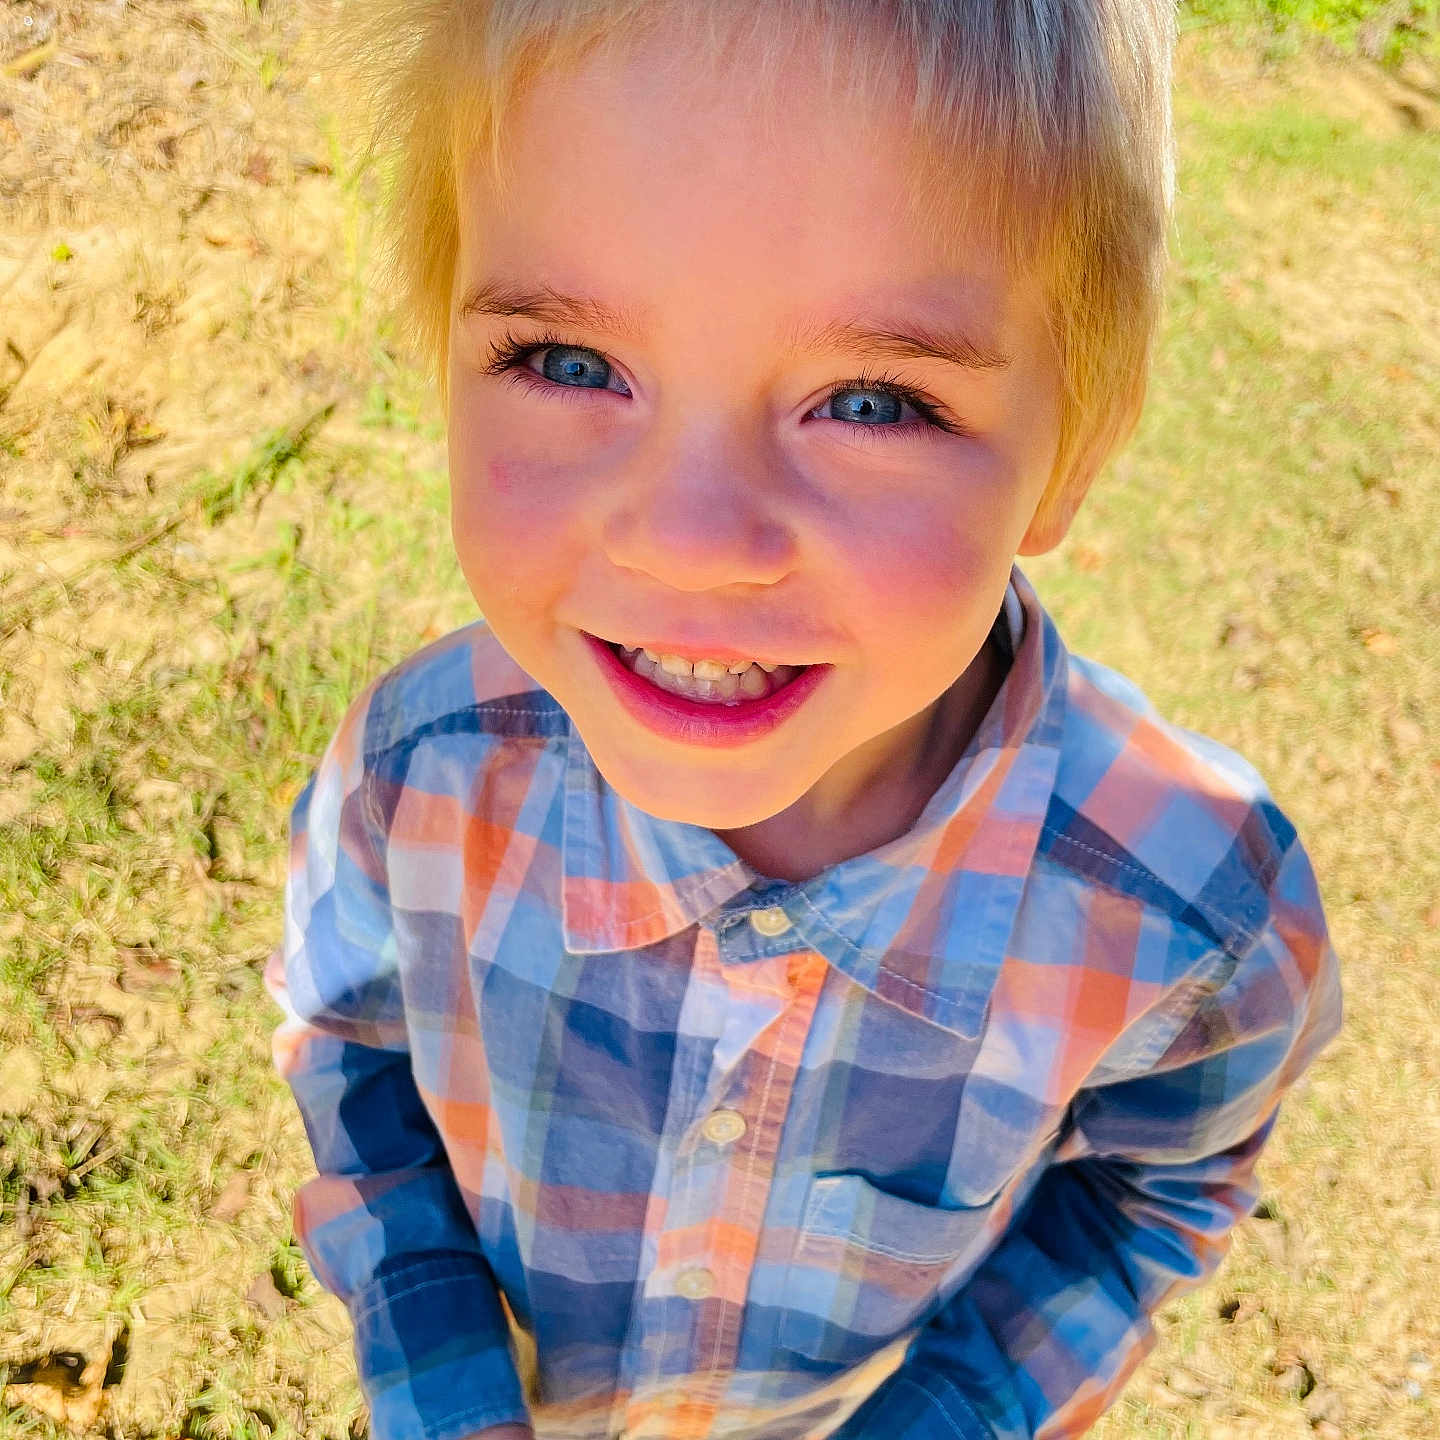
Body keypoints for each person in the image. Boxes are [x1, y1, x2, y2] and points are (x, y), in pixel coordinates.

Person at [262, 3, 1344, 1438]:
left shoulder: (1194, 916)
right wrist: (444, 1380)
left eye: (874, 399)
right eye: (570, 364)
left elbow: (1151, 1193)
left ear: (1073, 445)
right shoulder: (413, 780)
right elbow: (350, 1046)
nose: (693, 541)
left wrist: (955, 1414)